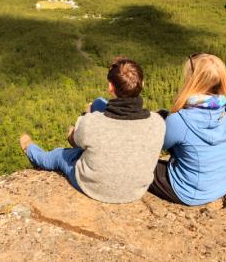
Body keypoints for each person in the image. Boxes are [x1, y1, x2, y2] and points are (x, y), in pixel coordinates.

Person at [19, 57, 165, 204]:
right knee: (98, 103)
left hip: (94, 187)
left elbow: (76, 142)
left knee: (60, 155)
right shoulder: (158, 122)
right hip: (135, 191)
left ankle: (31, 150)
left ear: (110, 87)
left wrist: (75, 131)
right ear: (143, 84)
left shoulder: (92, 123)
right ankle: (90, 112)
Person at [149, 53, 226, 206]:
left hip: (188, 191)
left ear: (193, 79)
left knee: (139, 164)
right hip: (222, 185)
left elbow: (160, 145)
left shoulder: (180, 119)